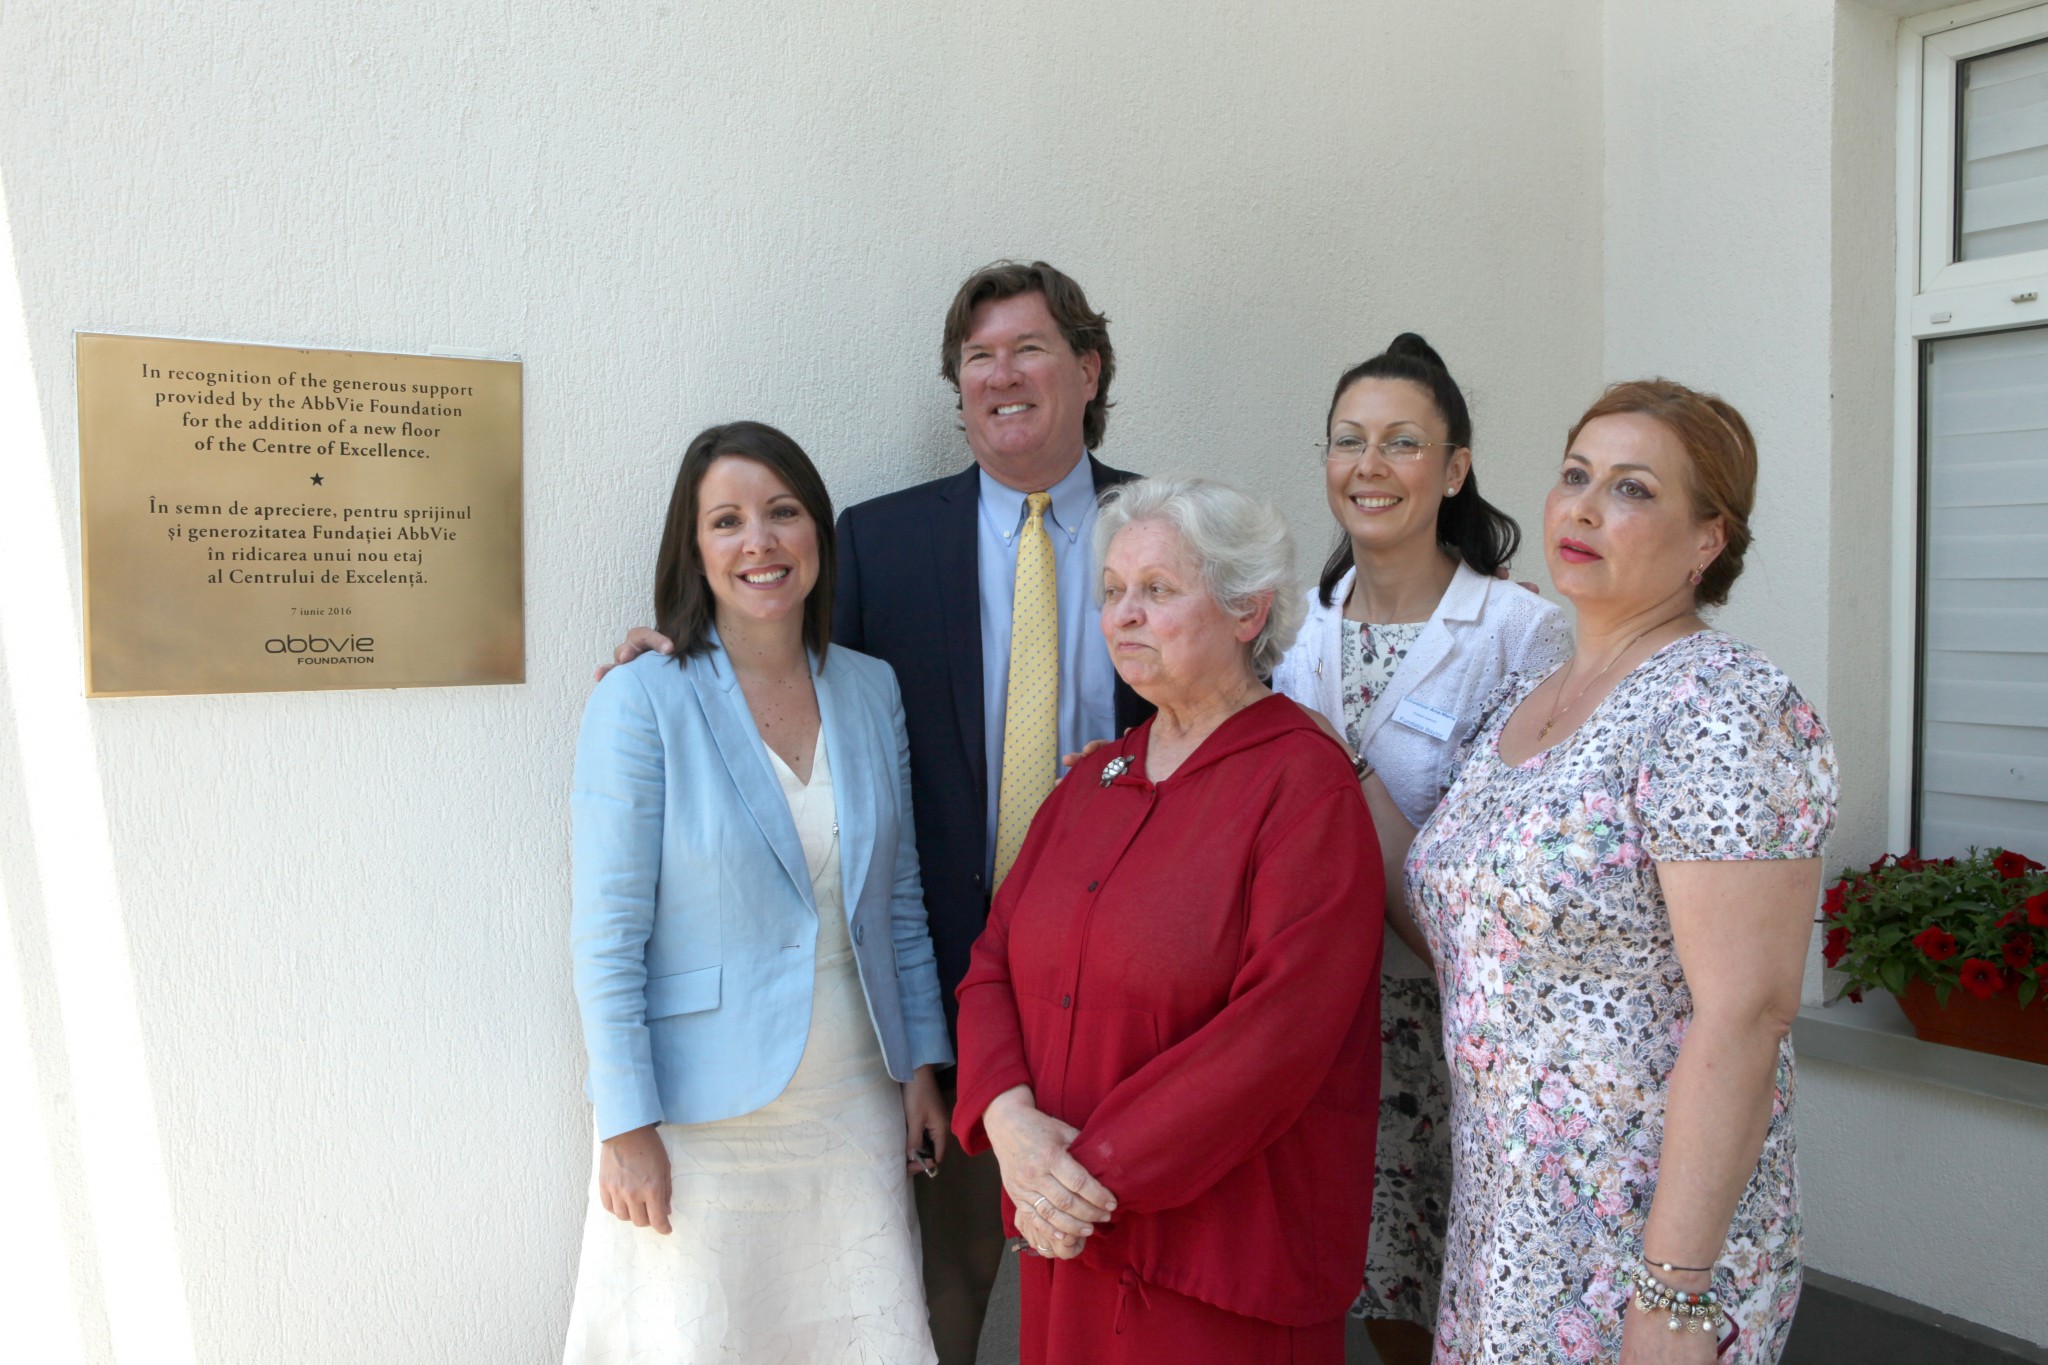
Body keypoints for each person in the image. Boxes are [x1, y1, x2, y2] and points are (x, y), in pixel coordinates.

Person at [599, 262, 1148, 1362]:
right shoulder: (881, 541)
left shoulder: (1163, 525)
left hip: (1132, 990)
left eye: (1029, 349)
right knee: (925, 1304)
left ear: (1088, 370)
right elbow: (778, 665)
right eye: (977, 357)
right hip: (941, 998)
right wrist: (665, 663)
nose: (1001, 376)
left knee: (1131, 1290)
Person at [1407, 381, 1836, 1364]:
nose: (1585, 507)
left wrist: (1672, 1292)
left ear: (1706, 540)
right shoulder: (1531, 693)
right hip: (1504, 1224)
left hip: (1637, 1247)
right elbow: (1471, 923)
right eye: (1575, 475)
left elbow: (1748, 1012)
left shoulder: (1723, 709)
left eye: (1632, 488)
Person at [952, 476, 1384, 1364]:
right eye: (1113, 590)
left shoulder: (1304, 782)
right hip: (1069, 1243)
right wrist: (1008, 1120)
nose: (1124, 614)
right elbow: (992, 961)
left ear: (1246, 610)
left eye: (1157, 589)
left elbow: (1279, 1035)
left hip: (1211, 1269)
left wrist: (1082, 1177)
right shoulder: (1091, 780)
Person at [564, 421, 954, 1363]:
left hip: (855, 1100)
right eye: (727, 521)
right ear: (694, 548)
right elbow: (608, 932)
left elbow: (899, 898)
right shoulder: (641, 697)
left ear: (817, 530)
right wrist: (625, 1124)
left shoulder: (871, 688)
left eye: (782, 512)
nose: (760, 541)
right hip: (702, 1120)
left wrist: (922, 1065)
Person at [1267, 334, 1570, 1365]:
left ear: (1453, 469)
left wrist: (1336, 768)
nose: (1369, 465)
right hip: (1318, 1007)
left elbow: (1501, 862)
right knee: (1367, 1275)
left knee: (1458, 1285)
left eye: (1402, 442)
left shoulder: (1520, 632)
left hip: (1451, 1015)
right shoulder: (1293, 628)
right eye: (1347, 440)